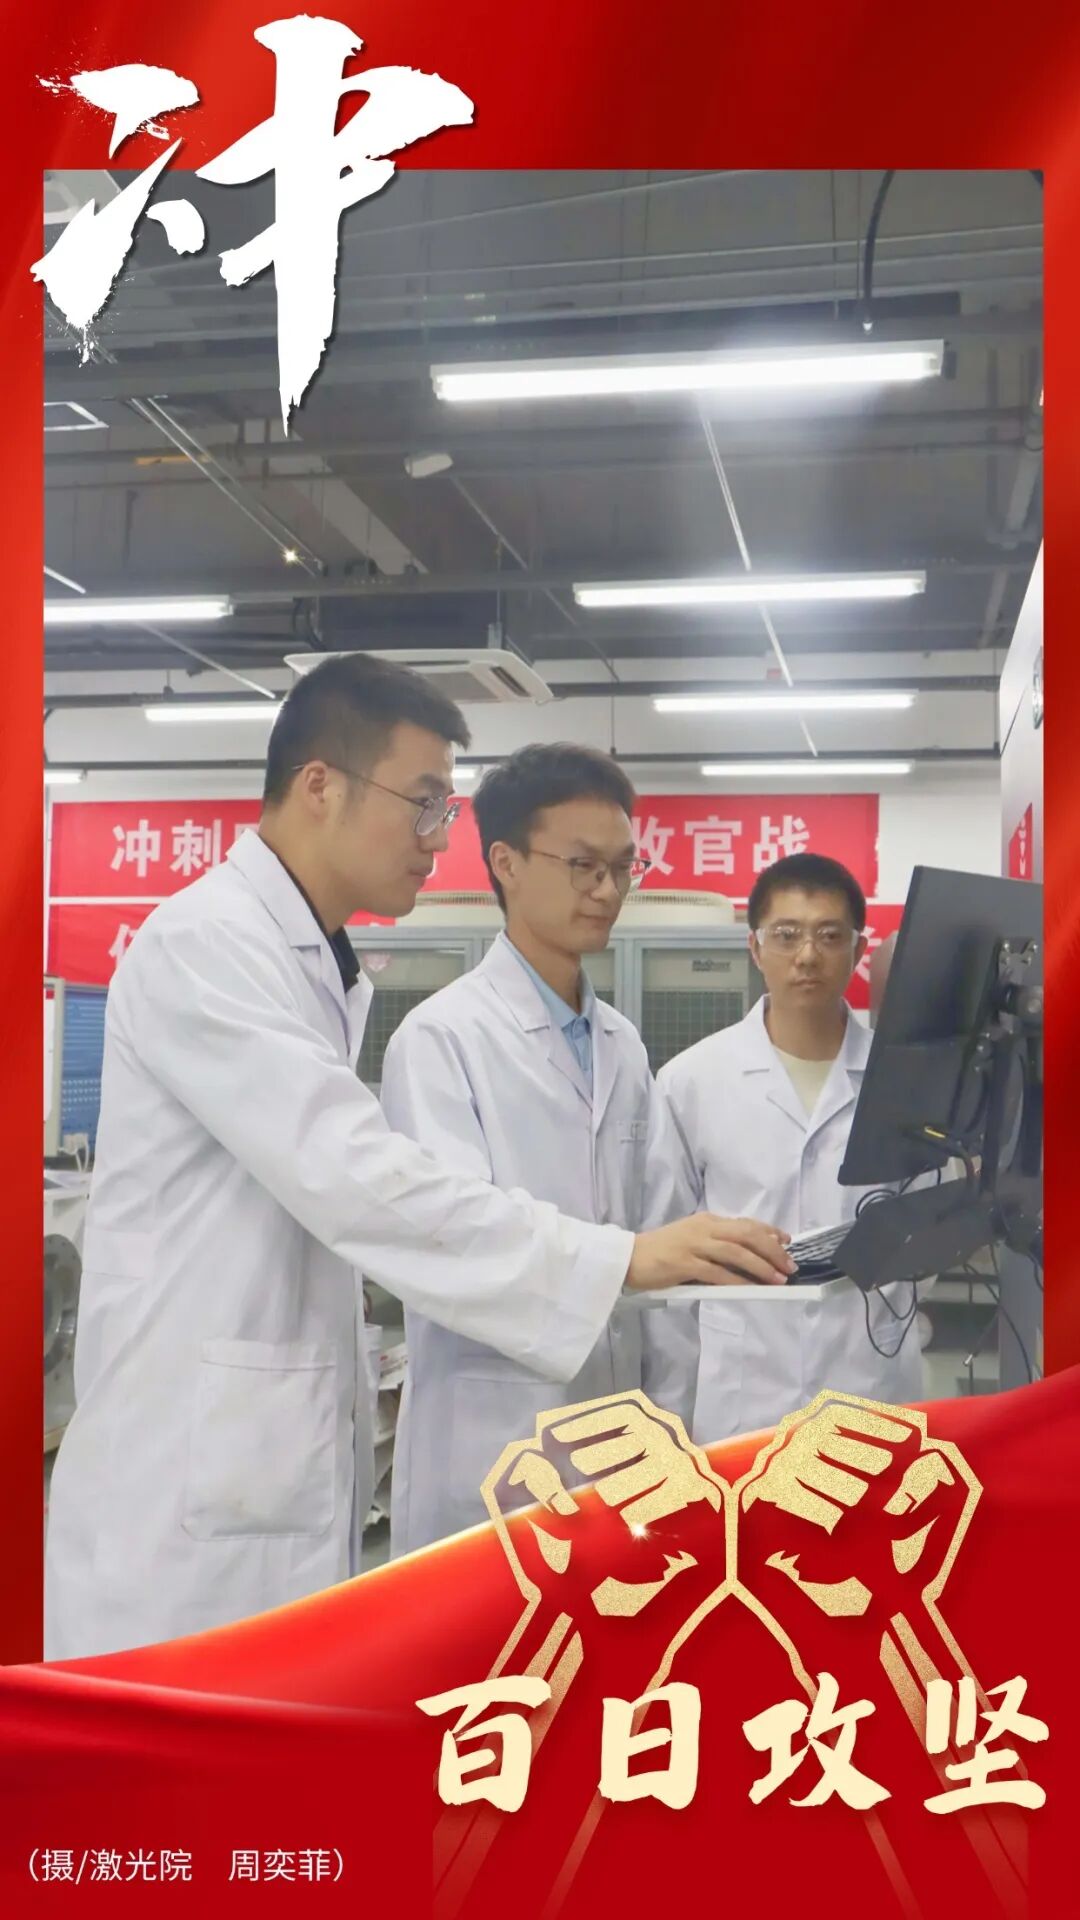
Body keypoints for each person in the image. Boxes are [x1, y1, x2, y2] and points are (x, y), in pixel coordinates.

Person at [44, 655, 794, 1660]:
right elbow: (359, 1178)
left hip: (270, 1465)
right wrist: (620, 1257)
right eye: (425, 802)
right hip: (182, 1512)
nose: (439, 839)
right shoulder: (206, 947)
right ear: (321, 786)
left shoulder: (313, 965)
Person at [381, 746, 755, 1553]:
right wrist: (625, 1261)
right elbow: (452, 1241)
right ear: (506, 863)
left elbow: (666, 1249)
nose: (608, 891)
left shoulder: (622, 1045)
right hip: (490, 1448)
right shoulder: (442, 1040)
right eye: (584, 865)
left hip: (622, 1451)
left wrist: (673, 1429)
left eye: (623, 868)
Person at [658, 852, 927, 1443]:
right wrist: (671, 1419)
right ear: (755, 949)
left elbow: (926, 1240)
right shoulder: (692, 1080)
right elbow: (670, 1257)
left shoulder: (903, 1082)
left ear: (858, 951)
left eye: (830, 936)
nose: (807, 955)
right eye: (786, 935)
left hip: (870, 1382)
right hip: (742, 1391)